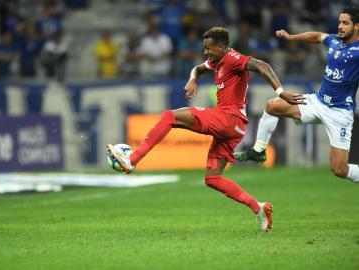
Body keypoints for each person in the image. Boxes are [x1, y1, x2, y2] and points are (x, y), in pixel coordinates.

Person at [107, 27, 306, 232]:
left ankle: (132, 160)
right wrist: (193, 78)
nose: (205, 52)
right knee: (213, 178)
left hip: (228, 118)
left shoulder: (232, 58)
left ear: (221, 46)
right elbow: (199, 68)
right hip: (235, 127)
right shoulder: (216, 61)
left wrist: (280, 92)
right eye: (204, 48)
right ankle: (259, 208)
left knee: (169, 116)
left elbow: (263, 65)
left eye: (208, 48)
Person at [235, 6, 359, 184]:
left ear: (357, 26)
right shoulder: (334, 41)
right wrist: (292, 37)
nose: (340, 26)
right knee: (273, 106)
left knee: (339, 169)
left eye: (345, 23)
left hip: (339, 113)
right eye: (339, 22)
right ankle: (258, 151)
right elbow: (317, 36)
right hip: (318, 101)